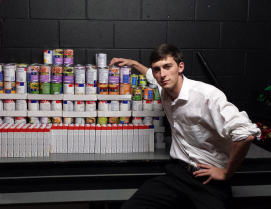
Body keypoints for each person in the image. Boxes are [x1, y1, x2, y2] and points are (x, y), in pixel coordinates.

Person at [109, 44, 261, 209]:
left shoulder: (207, 95)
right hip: (177, 175)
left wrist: (226, 173)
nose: (162, 74)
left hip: (207, 181)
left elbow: (245, 134)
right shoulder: (163, 87)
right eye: (157, 70)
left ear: (180, 67)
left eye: (167, 67)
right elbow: (150, 76)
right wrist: (133, 63)